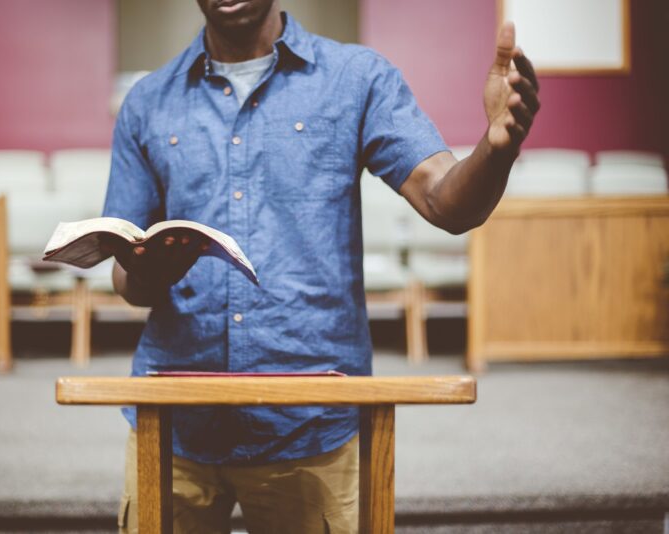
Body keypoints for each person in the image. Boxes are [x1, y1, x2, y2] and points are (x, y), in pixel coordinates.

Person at [103, 1, 540, 532]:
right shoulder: (149, 101)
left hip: (311, 424)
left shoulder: (356, 79)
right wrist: (151, 269)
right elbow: (127, 280)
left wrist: (496, 151)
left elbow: (448, 205)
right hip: (173, 424)